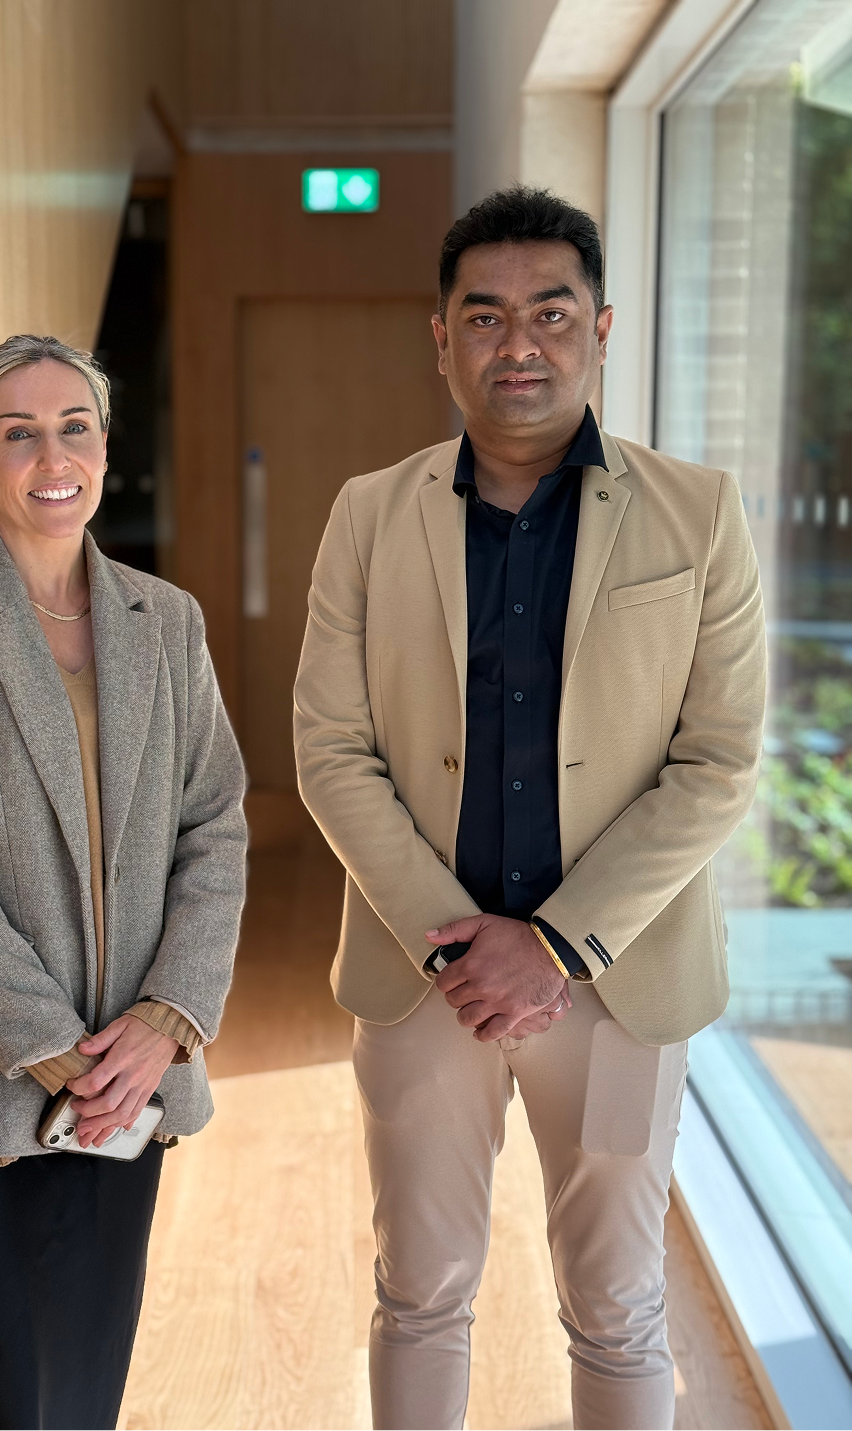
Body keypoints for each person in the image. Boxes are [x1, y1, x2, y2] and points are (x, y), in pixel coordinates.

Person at [294, 187, 766, 1431]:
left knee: (616, 1302)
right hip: (423, 972)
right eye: (486, 314)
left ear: (599, 327)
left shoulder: (698, 515)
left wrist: (550, 945)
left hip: (615, 979)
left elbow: (716, 760)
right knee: (420, 1290)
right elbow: (329, 750)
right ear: (437, 335)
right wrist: (462, 942)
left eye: (550, 313)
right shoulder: (365, 514)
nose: (520, 343)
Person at [0, 334, 246, 1431]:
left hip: (132, 1078)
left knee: (81, 1386)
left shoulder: (166, 623)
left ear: (106, 448)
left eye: (73, 427)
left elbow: (213, 823)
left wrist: (163, 1024)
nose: (50, 454)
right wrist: (62, 1053)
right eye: (16, 433)